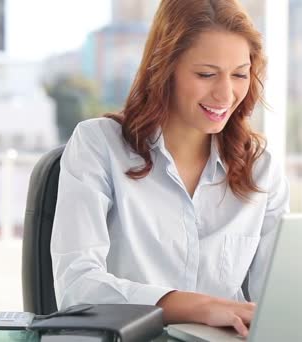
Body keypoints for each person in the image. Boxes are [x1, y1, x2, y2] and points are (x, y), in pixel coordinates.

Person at [50, 0, 289, 337]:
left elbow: (280, 300)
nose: (225, 93)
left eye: (239, 74)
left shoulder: (260, 167)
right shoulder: (98, 145)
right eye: (206, 74)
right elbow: (77, 287)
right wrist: (200, 307)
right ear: (165, 68)